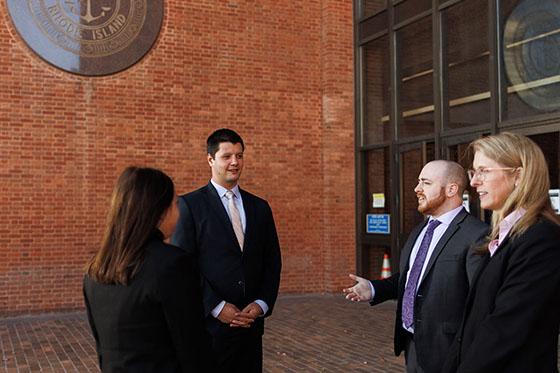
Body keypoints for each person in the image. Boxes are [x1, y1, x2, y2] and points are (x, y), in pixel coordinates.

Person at [344, 160, 488, 373]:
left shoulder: (476, 235)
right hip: (412, 346)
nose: (417, 189)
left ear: (451, 189)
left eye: (426, 183)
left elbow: (481, 301)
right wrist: (374, 289)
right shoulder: (420, 231)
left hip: (450, 353)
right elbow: (412, 278)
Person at [442, 133, 560, 373]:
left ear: (519, 175)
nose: (474, 182)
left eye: (483, 171)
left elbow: (505, 330)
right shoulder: (502, 235)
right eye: (473, 172)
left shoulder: (541, 239)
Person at [171, 128, 282, 372]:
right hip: (210, 329)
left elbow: (272, 261)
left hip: (250, 328)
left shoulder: (260, 207)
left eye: (240, 156)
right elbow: (182, 265)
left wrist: (262, 303)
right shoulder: (190, 205)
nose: (235, 162)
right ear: (210, 159)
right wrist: (217, 307)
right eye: (227, 156)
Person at [83, 166, 211, 372]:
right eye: (175, 205)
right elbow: (193, 348)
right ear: (159, 211)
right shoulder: (172, 264)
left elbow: (103, 351)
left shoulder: (95, 271)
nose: (178, 214)